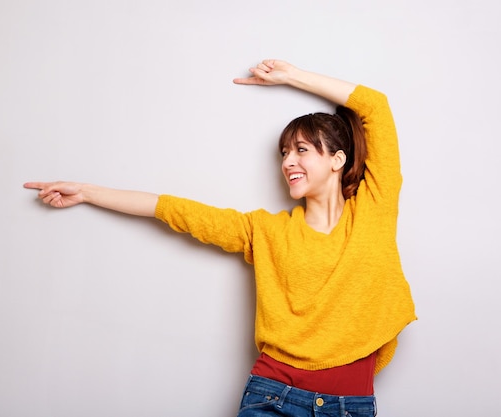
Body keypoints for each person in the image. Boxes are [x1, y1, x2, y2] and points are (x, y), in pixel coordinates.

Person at [24, 59, 416, 417]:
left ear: (337, 159)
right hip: (273, 396)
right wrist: (89, 192)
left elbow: (375, 107)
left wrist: (289, 75)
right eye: (283, 153)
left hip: (349, 406)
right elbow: (179, 212)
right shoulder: (266, 231)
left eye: (300, 150)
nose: (287, 162)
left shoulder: (373, 210)